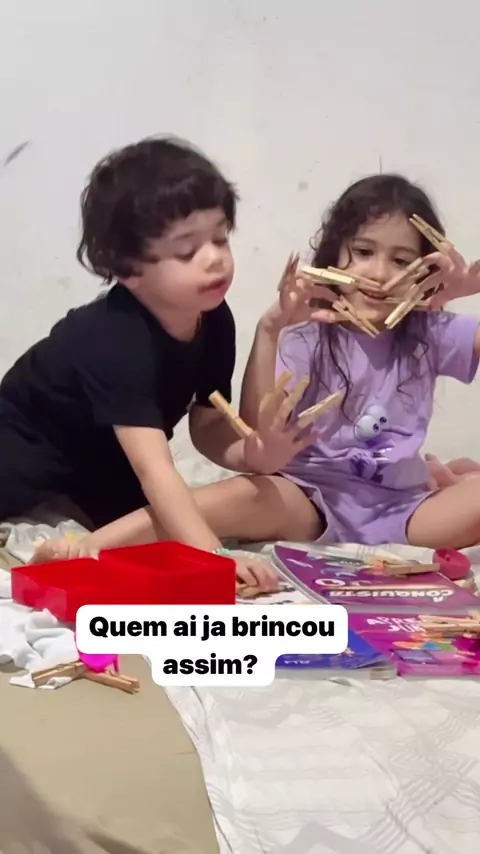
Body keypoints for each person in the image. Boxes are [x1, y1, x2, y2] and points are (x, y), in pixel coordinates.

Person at [34, 172, 480, 560]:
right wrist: (270, 330)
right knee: (239, 494)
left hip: (404, 510)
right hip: (307, 499)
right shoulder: (307, 331)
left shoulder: (430, 331)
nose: (380, 273)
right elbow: (255, 431)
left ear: (427, 269)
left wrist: (455, 295)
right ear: (334, 254)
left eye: (401, 261)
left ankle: (451, 478)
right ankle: (92, 545)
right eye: (363, 251)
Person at [0, 136, 327, 591]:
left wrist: (246, 454)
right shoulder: (114, 337)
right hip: (23, 455)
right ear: (128, 270)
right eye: (187, 250)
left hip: (104, 464)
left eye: (220, 238)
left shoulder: (213, 317)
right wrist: (215, 557)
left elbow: (209, 420)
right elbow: (154, 468)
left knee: (154, 531)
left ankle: (72, 542)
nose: (215, 259)